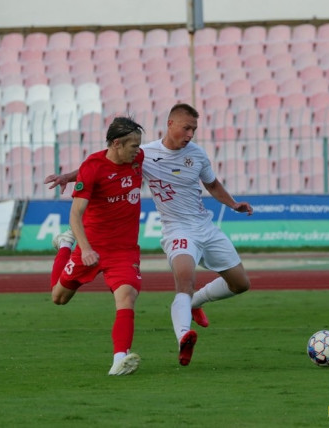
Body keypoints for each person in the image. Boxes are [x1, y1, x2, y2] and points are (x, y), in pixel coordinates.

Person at [45, 103, 253, 367]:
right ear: (170, 124)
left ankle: (187, 309)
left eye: (194, 129)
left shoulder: (183, 155)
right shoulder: (145, 154)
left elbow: (212, 184)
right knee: (60, 298)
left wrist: (233, 204)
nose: (190, 134)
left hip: (194, 230)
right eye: (186, 128)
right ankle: (183, 335)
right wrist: (68, 177)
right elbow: (96, 166)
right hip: (170, 232)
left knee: (240, 284)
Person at [49, 115, 145, 376]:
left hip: (124, 250)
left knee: (127, 296)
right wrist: (86, 249)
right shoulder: (94, 166)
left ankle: (119, 360)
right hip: (90, 247)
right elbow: (75, 215)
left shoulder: (137, 158)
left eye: (139, 146)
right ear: (116, 144)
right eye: (133, 146)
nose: (138, 151)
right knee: (58, 298)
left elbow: (82, 173)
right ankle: (65, 245)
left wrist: (68, 176)